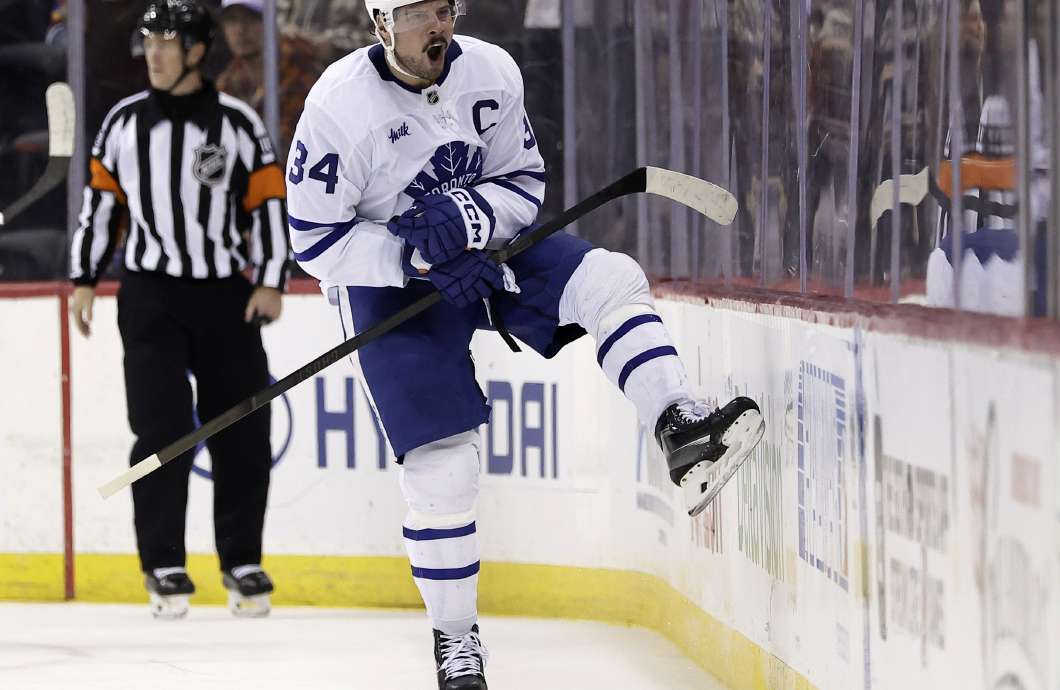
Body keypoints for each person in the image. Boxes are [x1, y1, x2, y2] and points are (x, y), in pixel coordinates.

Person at [285, 1, 765, 687]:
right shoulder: (338, 108)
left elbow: (521, 183)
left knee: (609, 278)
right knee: (444, 473)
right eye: (419, 14)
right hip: (390, 285)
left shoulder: (490, 72)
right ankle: (456, 644)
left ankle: (679, 426)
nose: (438, 26)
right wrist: (413, 258)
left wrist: (471, 216)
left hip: (489, 251)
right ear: (380, 24)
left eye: (444, 8)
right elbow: (315, 241)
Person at [68, 0, 289, 620]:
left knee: (243, 429)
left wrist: (271, 280)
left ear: (197, 52)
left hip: (225, 295)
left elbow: (269, 205)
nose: (154, 54)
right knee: (160, 429)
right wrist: (84, 277)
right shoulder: (122, 122)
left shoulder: (240, 124)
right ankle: (163, 562)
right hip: (150, 296)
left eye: (167, 42)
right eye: (149, 42)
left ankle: (241, 560)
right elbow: (101, 205)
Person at [215, 0, 323, 161]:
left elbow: (289, 147)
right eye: (231, 20)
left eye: (251, 18)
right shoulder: (227, 83)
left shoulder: (301, 68)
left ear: (272, 20)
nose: (240, 30)